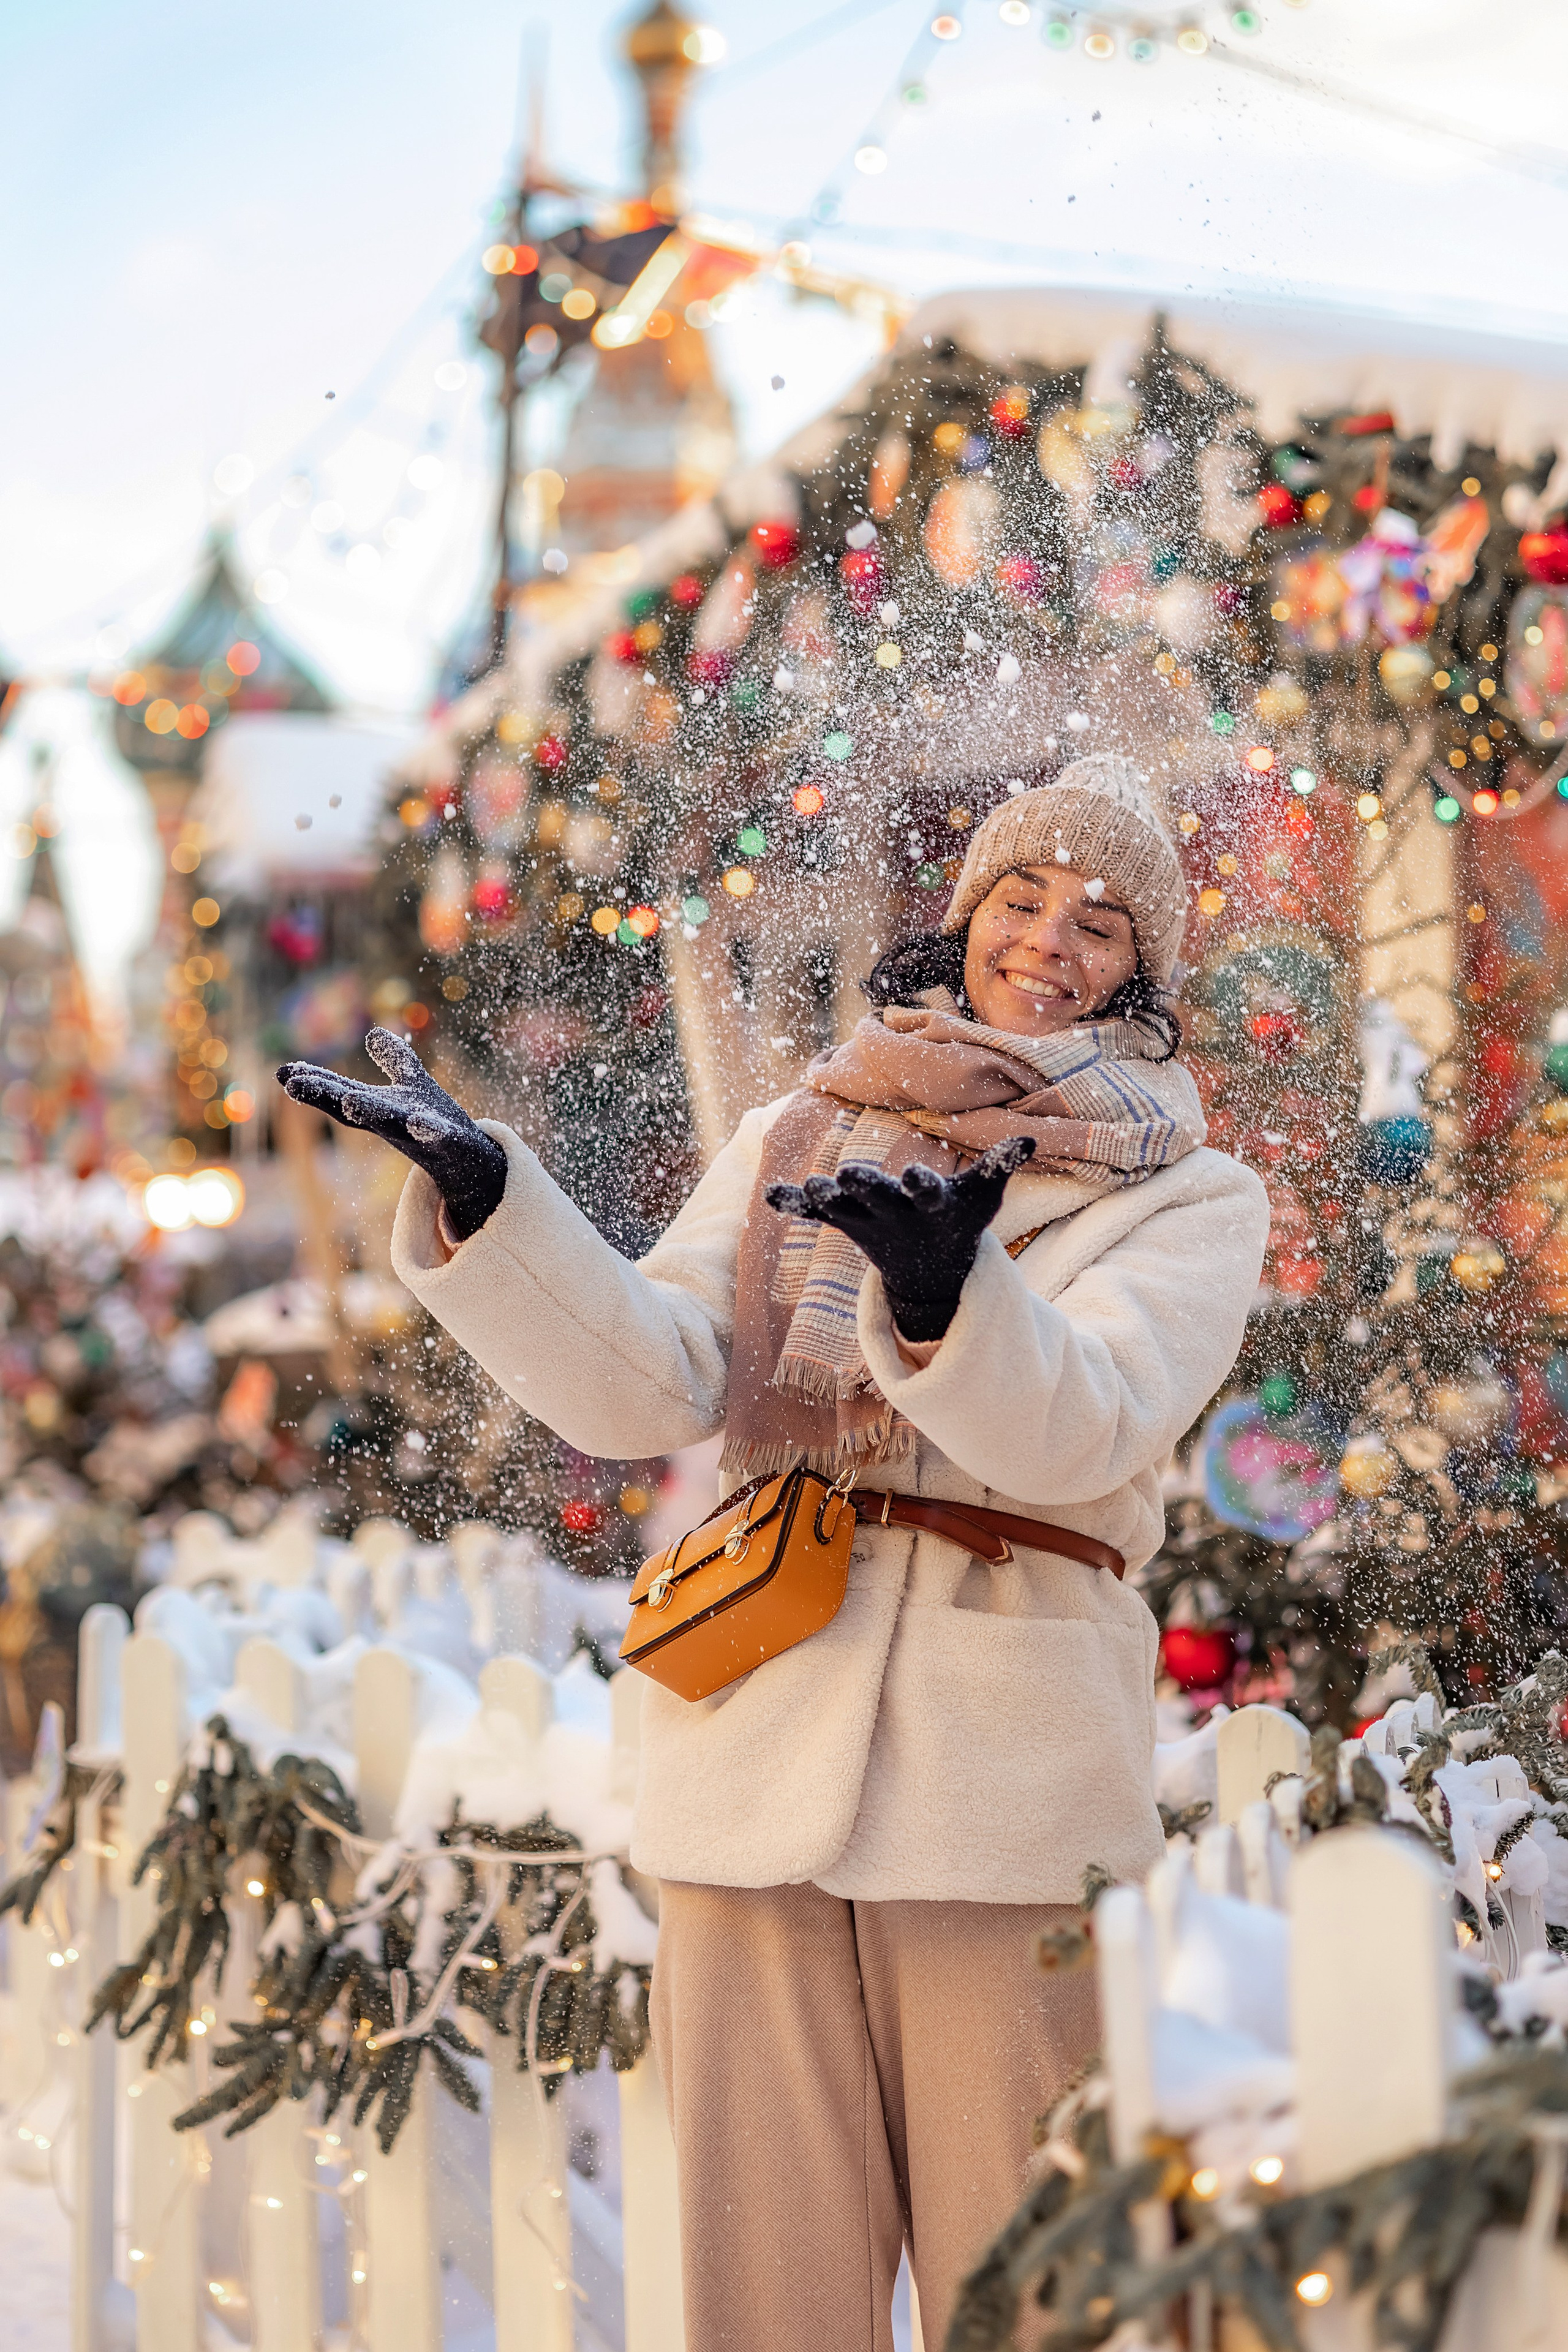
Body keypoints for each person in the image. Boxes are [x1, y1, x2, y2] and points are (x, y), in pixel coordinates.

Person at [279, 753, 1269, 2352]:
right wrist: (495, 1205)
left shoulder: (1194, 1195)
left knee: (1029, 2280)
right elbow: (660, 1377)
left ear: (1141, 970)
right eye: (1021, 899)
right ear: (965, 919)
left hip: (1001, 1775)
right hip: (754, 1729)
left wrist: (950, 1297)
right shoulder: (802, 1127)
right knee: (767, 2290)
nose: (1049, 940)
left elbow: (1087, 1425)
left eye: (1100, 923)